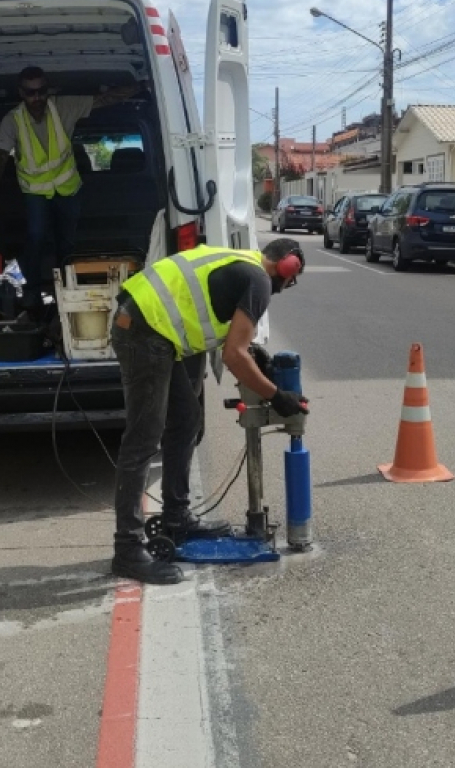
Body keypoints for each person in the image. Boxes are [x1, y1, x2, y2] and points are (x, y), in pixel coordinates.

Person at [109, 238, 309, 584]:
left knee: (186, 420)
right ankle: (127, 549)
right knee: (142, 440)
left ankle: (176, 516)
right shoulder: (260, 280)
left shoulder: (242, 261)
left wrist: (253, 360)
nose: (285, 288)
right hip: (144, 332)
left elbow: (210, 323)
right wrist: (276, 395)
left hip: (151, 327)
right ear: (288, 267)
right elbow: (235, 355)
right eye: (291, 281)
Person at [0, 66, 146, 310]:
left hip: (68, 189)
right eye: (30, 93)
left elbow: (104, 99)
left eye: (42, 91)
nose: (37, 98)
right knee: (36, 237)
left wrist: (141, 86)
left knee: (67, 243)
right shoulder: (12, 121)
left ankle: (65, 290)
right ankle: (32, 292)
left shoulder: (63, 107)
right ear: (20, 93)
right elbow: (0, 159)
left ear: (48, 90)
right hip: (35, 192)